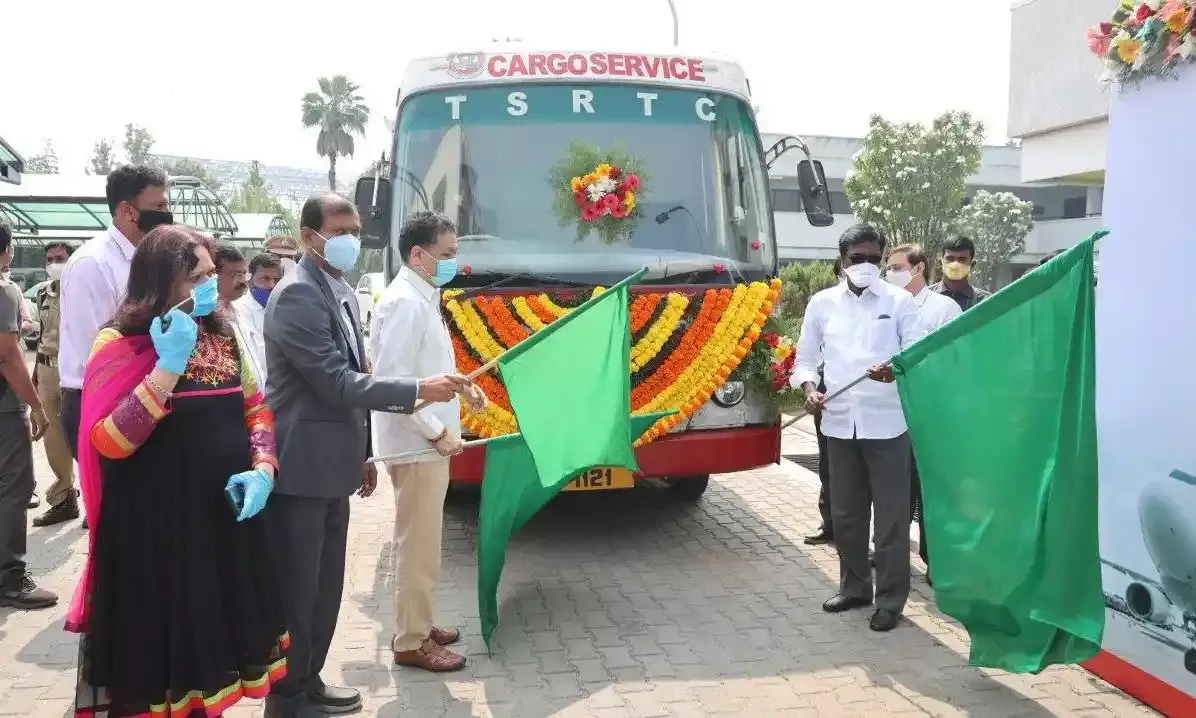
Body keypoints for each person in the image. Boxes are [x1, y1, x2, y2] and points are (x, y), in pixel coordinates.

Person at [67, 224, 287, 717]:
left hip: (222, 523)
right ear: (160, 281)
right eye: (195, 278)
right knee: (160, 674)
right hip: (155, 536)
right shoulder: (120, 341)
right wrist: (166, 368)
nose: (209, 287)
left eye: (211, 274)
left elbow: (256, 407)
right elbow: (109, 442)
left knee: (214, 656)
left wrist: (264, 467)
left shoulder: (222, 333)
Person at [263, 194, 470, 718]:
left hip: (331, 463)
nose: (351, 237)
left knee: (326, 585)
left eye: (356, 227)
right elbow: (335, 381)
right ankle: (287, 698)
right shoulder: (297, 296)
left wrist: (360, 454)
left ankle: (309, 679)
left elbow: (355, 376)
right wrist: (418, 389)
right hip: (302, 465)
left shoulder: (339, 291)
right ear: (310, 235)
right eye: (339, 229)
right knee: (298, 589)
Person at [792, 223, 927, 632]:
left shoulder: (900, 302)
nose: (866, 265)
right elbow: (804, 361)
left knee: (890, 520)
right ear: (842, 261)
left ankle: (890, 600)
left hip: (887, 426)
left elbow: (918, 355)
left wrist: (895, 371)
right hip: (837, 423)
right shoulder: (821, 303)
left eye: (873, 258)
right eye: (858, 258)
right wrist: (810, 388)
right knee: (847, 516)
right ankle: (854, 588)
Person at [370, 212, 486, 672]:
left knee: (425, 543)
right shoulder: (404, 303)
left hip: (427, 443)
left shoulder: (423, 296)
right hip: (418, 445)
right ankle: (411, 642)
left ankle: (420, 621)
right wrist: (437, 433)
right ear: (417, 254)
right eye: (446, 254)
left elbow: (425, 370)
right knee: (416, 545)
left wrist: (462, 386)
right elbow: (394, 382)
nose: (453, 263)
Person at [60, 165, 172, 470]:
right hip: (101, 401)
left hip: (142, 395)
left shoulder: (148, 259)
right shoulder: (93, 265)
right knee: (115, 505)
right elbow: (96, 356)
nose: (167, 213)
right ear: (127, 210)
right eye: (159, 206)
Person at [884, 244, 962, 584]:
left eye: (897, 266)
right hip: (889, 412)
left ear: (919, 268)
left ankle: (935, 559)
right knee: (894, 491)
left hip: (929, 413)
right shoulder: (885, 304)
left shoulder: (944, 308)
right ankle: (890, 555)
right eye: (889, 267)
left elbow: (953, 357)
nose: (890, 273)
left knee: (930, 489)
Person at [0, 223, 55, 610]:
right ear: (8, 252)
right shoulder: (4, 290)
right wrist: (35, 404)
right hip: (3, 408)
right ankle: (11, 578)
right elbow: (7, 354)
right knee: (16, 488)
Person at [31, 242, 82, 528]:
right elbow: (41, 337)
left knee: (84, 438)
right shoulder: (42, 293)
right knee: (53, 439)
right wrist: (35, 374)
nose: (54, 263)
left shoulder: (80, 291)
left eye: (59, 258)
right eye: (49, 259)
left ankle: (95, 501)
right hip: (48, 370)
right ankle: (64, 499)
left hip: (76, 370)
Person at [805, 258, 842, 546]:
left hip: (870, 402)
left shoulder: (888, 305)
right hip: (828, 394)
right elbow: (807, 356)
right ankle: (829, 523)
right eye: (852, 264)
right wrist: (810, 390)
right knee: (829, 464)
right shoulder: (824, 305)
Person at [232, 252, 284, 385]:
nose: (272, 285)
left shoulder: (287, 307)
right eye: (265, 278)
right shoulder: (238, 310)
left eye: (277, 279)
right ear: (250, 278)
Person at [931, 236, 991, 312]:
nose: (955, 265)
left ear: (972, 264)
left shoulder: (986, 302)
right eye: (950, 259)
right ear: (940, 263)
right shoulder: (923, 299)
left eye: (962, 259)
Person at [215, 242, 249, 307]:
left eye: (244, 274)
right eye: (234, 274)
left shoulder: (243, 306)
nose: (243, 281)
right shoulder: (201, 312)